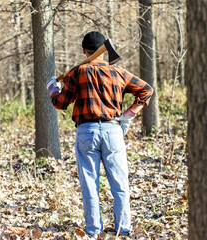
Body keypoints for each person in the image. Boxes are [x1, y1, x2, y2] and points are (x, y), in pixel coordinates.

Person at [46, 31, 153, 237]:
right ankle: (123, 229)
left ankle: (93, 231)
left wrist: (52, 88)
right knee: (120, 184)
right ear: (104, 51)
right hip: (113, 130)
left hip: (86, 131)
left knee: (89, 184)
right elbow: (146, 89)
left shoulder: (76, 73)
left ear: (84, 51)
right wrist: (129, 114)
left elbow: (61, 103)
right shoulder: (119, 73)